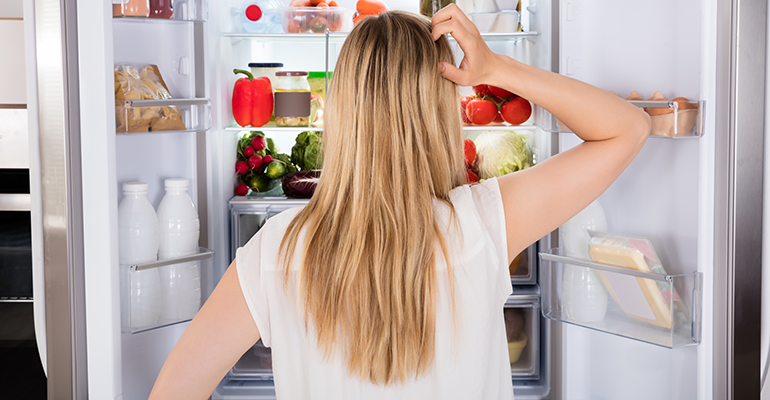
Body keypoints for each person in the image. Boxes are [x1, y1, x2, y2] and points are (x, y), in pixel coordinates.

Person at [149, 6, 649, 400]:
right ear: (439, 113)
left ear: (342, 111)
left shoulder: (273, 253)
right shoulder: (483, 223)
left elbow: (173, 391)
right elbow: (627, 128)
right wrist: (497, 67)